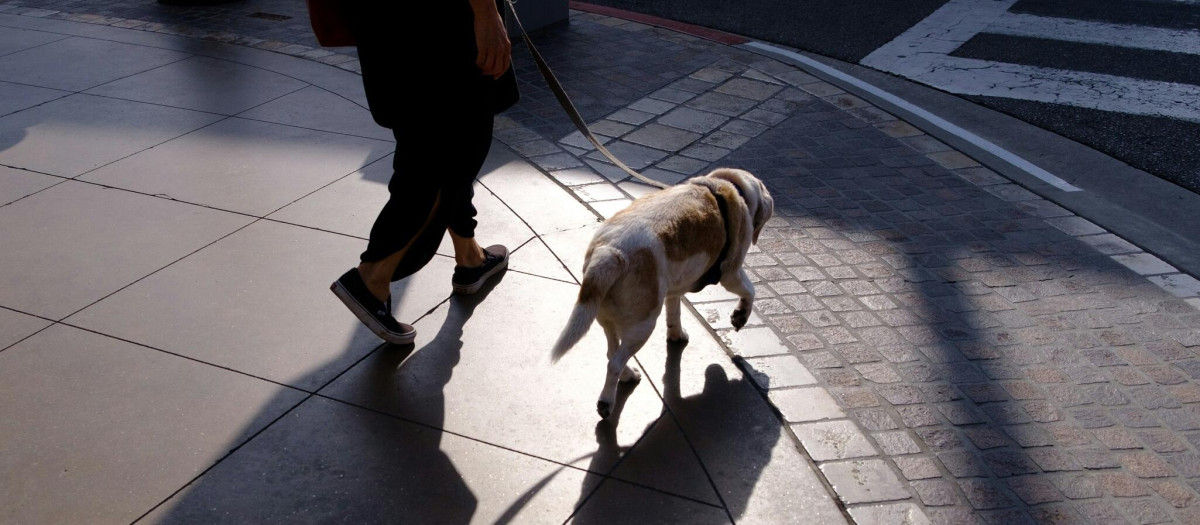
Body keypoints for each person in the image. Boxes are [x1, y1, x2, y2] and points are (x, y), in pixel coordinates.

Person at [330, 0, 519, 345]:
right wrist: (485, 12)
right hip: (440, 18)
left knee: (429, 131)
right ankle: (373, 276)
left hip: (389, 20)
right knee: (448, 147)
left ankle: (470, 256)